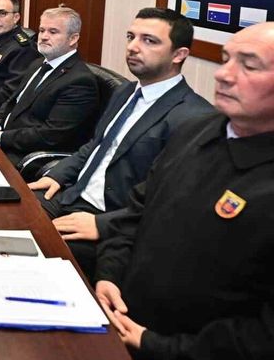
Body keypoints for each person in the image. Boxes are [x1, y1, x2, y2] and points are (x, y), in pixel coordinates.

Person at [92, 21, 274, 358]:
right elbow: (136, 214)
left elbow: (263, 337)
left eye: (249, 66)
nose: (223, 74)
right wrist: (109, 275)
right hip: (120, 321)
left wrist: (155, 344)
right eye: (226, 59)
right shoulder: (195, 130)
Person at [28, 8, 212, 280]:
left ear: (179, 55)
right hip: (72, 196)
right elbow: (97, 144)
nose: (133, 47)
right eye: (131, 37)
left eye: (149, 40)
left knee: (33, 255)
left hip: (114, 224)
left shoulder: (195, 117)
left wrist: (102, 224)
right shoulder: (126, 90)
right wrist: (58, 174)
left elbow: (172, 203)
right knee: (6, 213)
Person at [0, 6, 100, 165]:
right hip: (2, 140)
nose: (44, 37)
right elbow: (12, 101)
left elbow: (51, 135)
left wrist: (0, 138)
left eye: (53, 32)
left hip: (23, 154)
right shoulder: (37, 63)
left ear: (73, 39)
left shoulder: (80, 81)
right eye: (42, 30)